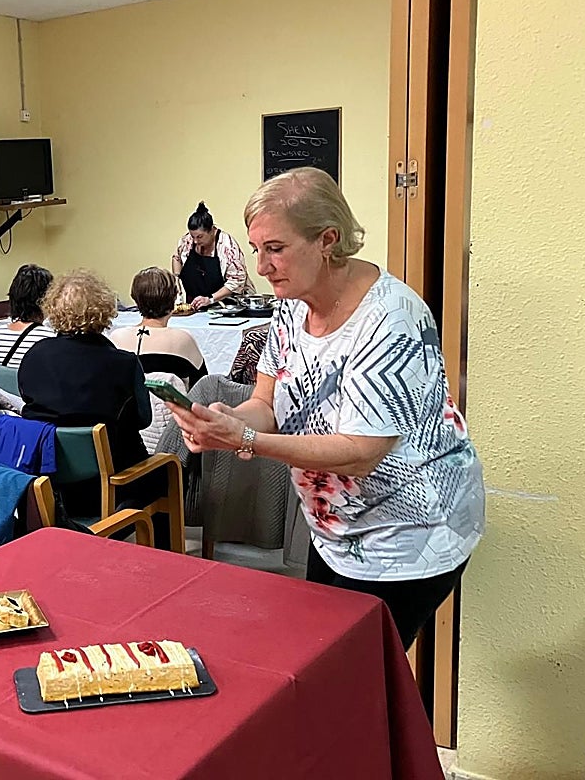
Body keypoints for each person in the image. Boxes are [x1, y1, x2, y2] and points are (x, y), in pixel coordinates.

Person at [168, 167, 484, 649]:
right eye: (256, 250)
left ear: (327, 241)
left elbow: (360, 451)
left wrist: (245, 441)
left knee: (352, 681)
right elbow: (265, 403)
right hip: (338, 530)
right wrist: (227, 421)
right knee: (327, 668)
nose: (261, 266)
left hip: (408, 537)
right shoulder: (292, 304)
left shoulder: (390, 319)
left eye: (274, 249)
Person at [17, 270, 168, 543]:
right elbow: (143, 419)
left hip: (50, 485)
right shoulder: (123, 363)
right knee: (168, 471)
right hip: (113, 484)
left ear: (53, 308)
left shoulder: (34, 356)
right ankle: (165, 560)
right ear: (105, 309)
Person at [110, 267, 207, 385]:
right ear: (173, 300)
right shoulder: (183, 339)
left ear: (135, 299)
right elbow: (203, 386)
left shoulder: (116, 338)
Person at [171, 200, 255, 310]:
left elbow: (237, 281)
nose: (195, 241)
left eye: (200, 237)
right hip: (196, 306)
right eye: (193, 236)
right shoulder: (187, 240)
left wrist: (210, 299)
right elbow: (176, 258)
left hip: (228, 306)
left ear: (212, 230)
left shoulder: (227, 247)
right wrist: (176, 278)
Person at [0, 264, 56, 370]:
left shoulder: (0, 332)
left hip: (8, 386)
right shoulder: (48, 337)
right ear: (45, 299)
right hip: (34, 386)